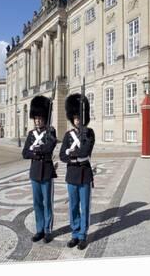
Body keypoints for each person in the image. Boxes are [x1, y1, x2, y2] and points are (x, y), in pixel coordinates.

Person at [59, 94, 95, 250]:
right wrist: (74, 155)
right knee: (73, 206)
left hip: (85, 175)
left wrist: (71, 154)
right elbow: (61, 155)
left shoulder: (89, 133)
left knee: (85, 207)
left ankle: (82, 235)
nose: (77, 120)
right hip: (72, 175)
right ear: (72, 118)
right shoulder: (68, 135)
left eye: (80, 117)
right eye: (75, 117)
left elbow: (86, 152)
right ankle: (74, 233)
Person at [22, 95, 57, 244]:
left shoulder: (51, 132)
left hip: (47, 171)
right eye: (35, 118)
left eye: (40, 117)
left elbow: (49, 147)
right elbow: (25, 153)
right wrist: (37, 151)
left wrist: (35, 149)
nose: (37, 120)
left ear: (45, 118)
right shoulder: (31, 134)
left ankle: (48, 230)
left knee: (47, 203)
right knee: (37, 203)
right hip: (35, 172)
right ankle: (39, 229)